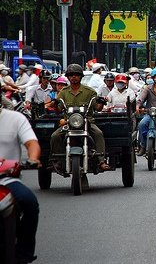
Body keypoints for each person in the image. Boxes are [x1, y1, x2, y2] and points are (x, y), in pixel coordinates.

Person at [0, 97, 41, 264]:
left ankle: (24, 253)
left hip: (6, 179)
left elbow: (32, 143)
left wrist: (32, 159)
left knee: (29, 202)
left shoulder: (15, 118)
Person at [50, 64, 109, 171]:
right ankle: (57, 161)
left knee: (98, 133)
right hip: (69, 123)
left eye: (76, 75)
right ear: (68, 77)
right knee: (55, 136)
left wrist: (102, 102)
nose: (73, 77)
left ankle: (101, 161)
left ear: (81, 76)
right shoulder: (63, 92)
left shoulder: (90, 92)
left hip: (87, 122)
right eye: (71, 75)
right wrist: (54, 104)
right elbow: (58, 109)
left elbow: (97, 108)